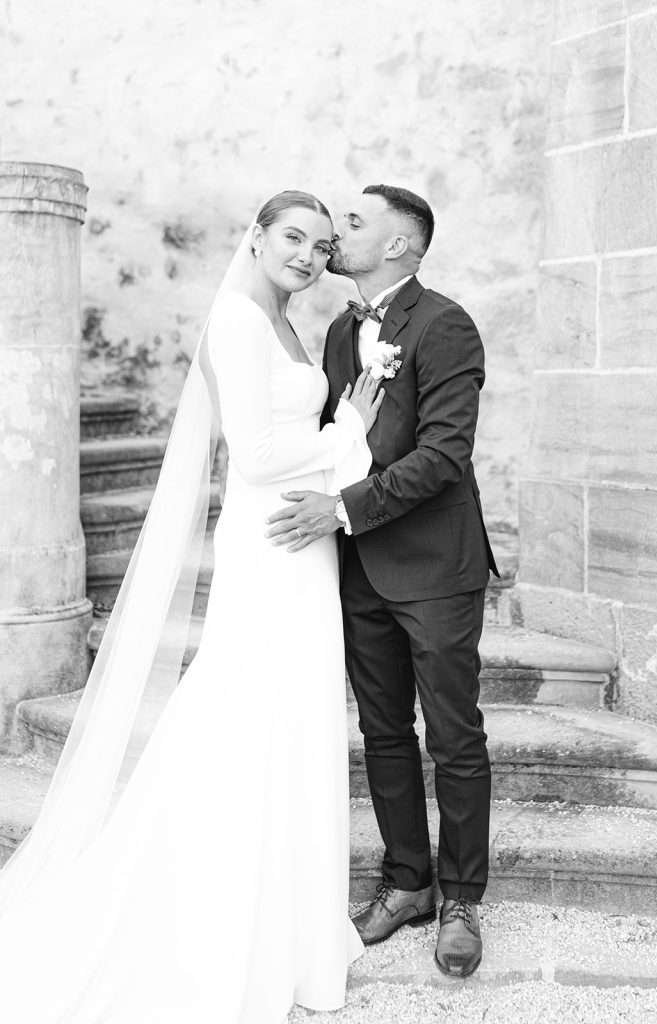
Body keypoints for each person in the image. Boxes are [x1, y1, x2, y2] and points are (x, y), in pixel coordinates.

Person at [0, 191, 382, 1022]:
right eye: (293, 237)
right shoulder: (240, 323)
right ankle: (218, 919)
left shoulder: (285, 321)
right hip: (271, 538)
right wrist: (349, 423)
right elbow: (254, 454)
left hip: (302, 541)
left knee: (294, 713)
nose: (309, 256)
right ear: (254, 235)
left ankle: (286, 917)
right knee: (247, 707)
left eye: (322, 246)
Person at [265, 184, 499, 979]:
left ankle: (463, 896)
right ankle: (408, 883)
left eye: (355, 223)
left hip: (434, 567)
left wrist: (342, 508)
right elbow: (340, 439)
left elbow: (442, 456)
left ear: (400, 245)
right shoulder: (339, 329)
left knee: (453, 735)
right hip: (360, 568)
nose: (338, 232)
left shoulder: (444, 324)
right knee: (384, 732)